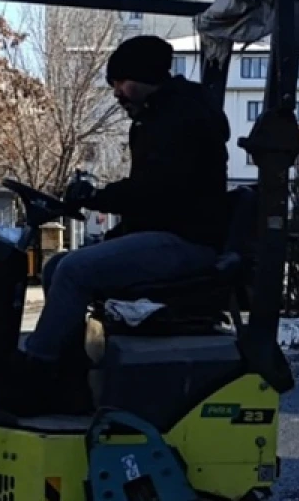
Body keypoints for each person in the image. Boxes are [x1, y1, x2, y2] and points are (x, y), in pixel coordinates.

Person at [16, 35, 228, 414]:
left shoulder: (179, 118)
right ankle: (70, 373)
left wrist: (97, 197)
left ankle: (34, 377)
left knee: (76, 271)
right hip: (166, 232)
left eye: (121, 83)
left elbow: (156, 191)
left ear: (146, 76)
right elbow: (153, 197)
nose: (117, 93)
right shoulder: (157, 118)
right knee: (57, 266)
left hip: (187, 242)